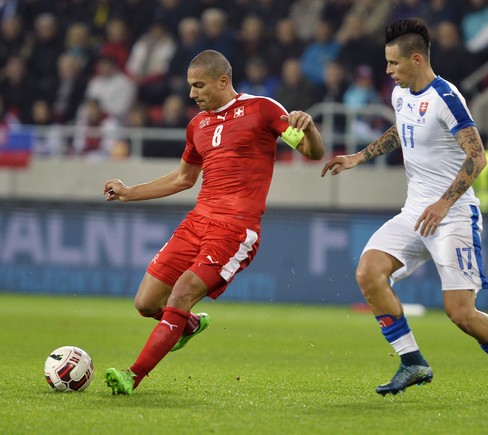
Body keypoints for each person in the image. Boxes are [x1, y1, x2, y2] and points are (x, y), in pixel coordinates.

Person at [321, 18, 488, 404]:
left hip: (452, 216)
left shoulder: (446, 97)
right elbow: (402, 131)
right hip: (414, 212)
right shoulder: (400, 95)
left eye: (393, 64)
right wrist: (359, 157)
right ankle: (412, 360)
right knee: (369, 271)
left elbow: (477, 157)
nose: (388, 71)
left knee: (461, 313)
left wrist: (443, 202)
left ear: (416, 59)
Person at [102, 49, 324, 395]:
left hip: (235, 230)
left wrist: (308, 129)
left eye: (199, 86)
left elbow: (313, 153)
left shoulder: (262, 109)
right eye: (191, 87)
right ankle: (188, 325)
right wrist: (129, 192)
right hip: (196, 222)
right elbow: (182, 179)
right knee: (146, 303)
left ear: (223, 81)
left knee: (182, 293)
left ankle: (133, 375)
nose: (192, 94)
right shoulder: (197, 126)